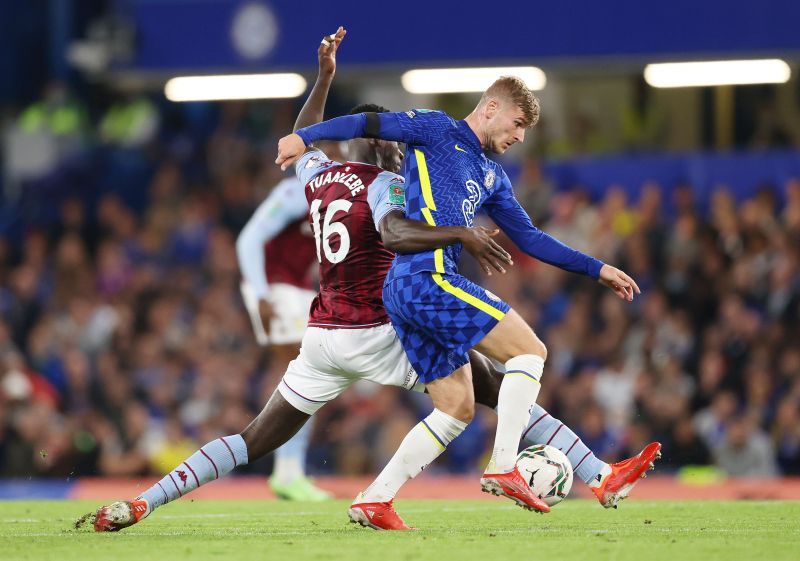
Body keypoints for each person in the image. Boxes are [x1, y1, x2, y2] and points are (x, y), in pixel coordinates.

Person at [90, 26, 516, 533]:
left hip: (322, 335)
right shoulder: (390, 186)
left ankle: (142, 503)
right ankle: (583, 469)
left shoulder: (320, 176)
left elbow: (303, 136)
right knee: (495, 381)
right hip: (380, 330)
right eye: (399, 144)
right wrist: (459, 234)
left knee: (253, 439)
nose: (404, 151)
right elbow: (395, 232)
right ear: (391, 146)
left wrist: (323, 78)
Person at [276, 69, 647, 515]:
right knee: (530, 352)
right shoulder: (433, 129)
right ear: (491, 108)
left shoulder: (491, 176)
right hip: (424, 277)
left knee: (455, 408)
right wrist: (307, 138)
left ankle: (375, 499)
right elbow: (367, 124)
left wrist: (597, 268)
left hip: (409, 290)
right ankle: (504, 466)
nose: (520, 138)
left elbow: (530, 238)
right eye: (516, 125)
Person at [236, 143, 338, 502]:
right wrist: (262, 294)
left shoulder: (329, 196)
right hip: (274, 287)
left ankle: (288, 469)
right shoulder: (295, 191)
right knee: (307, 371)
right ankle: (287, 471)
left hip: (292, 288)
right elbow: (248, 239)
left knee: (310, 371)